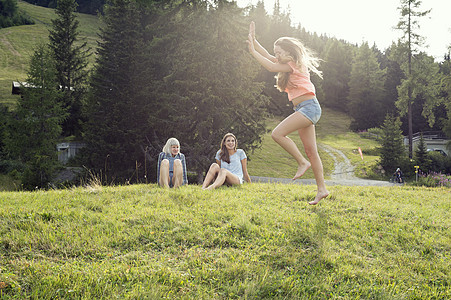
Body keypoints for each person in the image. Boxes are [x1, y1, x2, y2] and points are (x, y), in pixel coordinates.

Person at [247, 21, 329, 205]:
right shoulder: (287, 63)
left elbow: (270, 66)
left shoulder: (293, 64)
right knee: (311, 151)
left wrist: (252, 51)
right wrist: (254, 40)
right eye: (276, 53)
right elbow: (268, 56)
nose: (276, 55)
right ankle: (322, 189)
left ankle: (301, 162)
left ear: (289, 52)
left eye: (279, 52)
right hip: (304, 108)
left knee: (277, 134)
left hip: (309, 107)